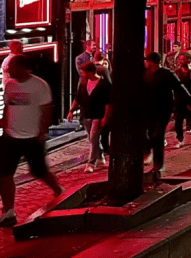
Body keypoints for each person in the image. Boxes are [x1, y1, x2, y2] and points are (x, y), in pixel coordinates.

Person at [0, 55, 63, 226]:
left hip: (32, 137)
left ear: (21, 67)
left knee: (39, 171)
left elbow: (46, 109)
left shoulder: (39, 85)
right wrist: (5, 124)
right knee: (4, 174)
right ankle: (9, 211)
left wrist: (42, 133)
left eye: (11, 67)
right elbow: (8, 106)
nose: (8, 70)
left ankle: (58, 190)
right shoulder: (10, 85)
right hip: (11, 137)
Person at [143, 52, 191, 176]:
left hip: (164, 109)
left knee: (158, 135)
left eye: (147, 61)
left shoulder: (167, 74)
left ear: (152, 62)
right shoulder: (146, 74)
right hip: (149, 110)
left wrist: (190, 102)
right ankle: (150, 155)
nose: (145, 63)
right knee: (149, 134)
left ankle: (158, 164)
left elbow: (179, 88)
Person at [65, 62, 111, 172]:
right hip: (86, 115)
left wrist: (105, 117)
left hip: (98, 114)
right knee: (92, 138)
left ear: (90, 72)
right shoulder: (83, 83)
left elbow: (108, 103)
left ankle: (90, 163)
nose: (82, 74)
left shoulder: (104, 84)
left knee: (94, 137)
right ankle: (100, 155)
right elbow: (78, 99)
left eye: (83, 72)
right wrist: (71, 111)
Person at [172, 52, 191, 148]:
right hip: (180, 101)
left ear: (189, 60)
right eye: (180, 59)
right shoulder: (177, 72)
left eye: (183, 59)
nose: (180, 61)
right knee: (178, 121)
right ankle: (180, 140)